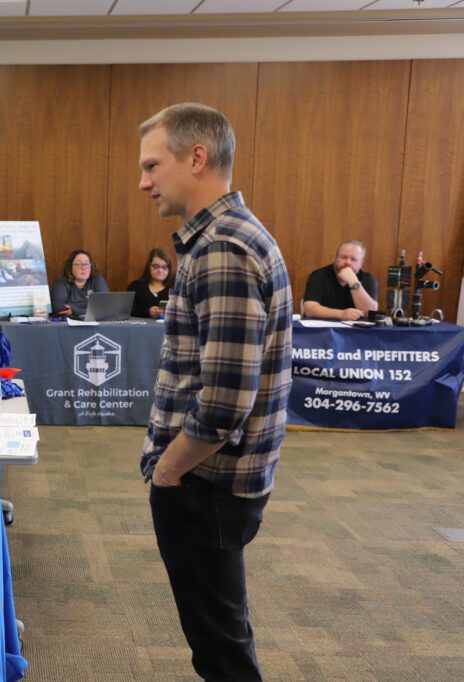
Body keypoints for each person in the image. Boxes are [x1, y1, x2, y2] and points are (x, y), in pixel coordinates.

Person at [137, 102, 293, 681]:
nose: (143, 181)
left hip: (204, 486)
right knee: (221, 635)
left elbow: (225, 401)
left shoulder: (224, 248)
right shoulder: (224, 238)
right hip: (217, 483)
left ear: (196, 158)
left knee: (221, 651)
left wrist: (169, 471)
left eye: (153, 166)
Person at [302, 240, 379, 320]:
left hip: (355, 330)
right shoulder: (318, 276)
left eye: (353, 259)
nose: (348, 262)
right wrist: (342, 314)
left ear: (361, 264)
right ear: (335, 259)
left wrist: (354, 282)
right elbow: (310, 309)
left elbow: (370, 312)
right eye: (343, 257)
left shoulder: (369, 279)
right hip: (322, 328)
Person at [50, 249, 109, 319]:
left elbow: (105, 306)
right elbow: (57, 307)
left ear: (91, 266)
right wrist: (90, 305)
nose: (83, 268)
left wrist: (75, 310)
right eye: (78, 264)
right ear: (70, 267)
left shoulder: (98, 279)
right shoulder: (62, 282)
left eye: (86, 264)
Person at [127, 248, 175, 318]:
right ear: (149, 266)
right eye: (156, 266)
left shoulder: (175, 289)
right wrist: (147, 312)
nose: (160, 270)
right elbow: (126, 310)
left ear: (169, 269)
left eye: (164, 267)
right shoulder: (136, 286)